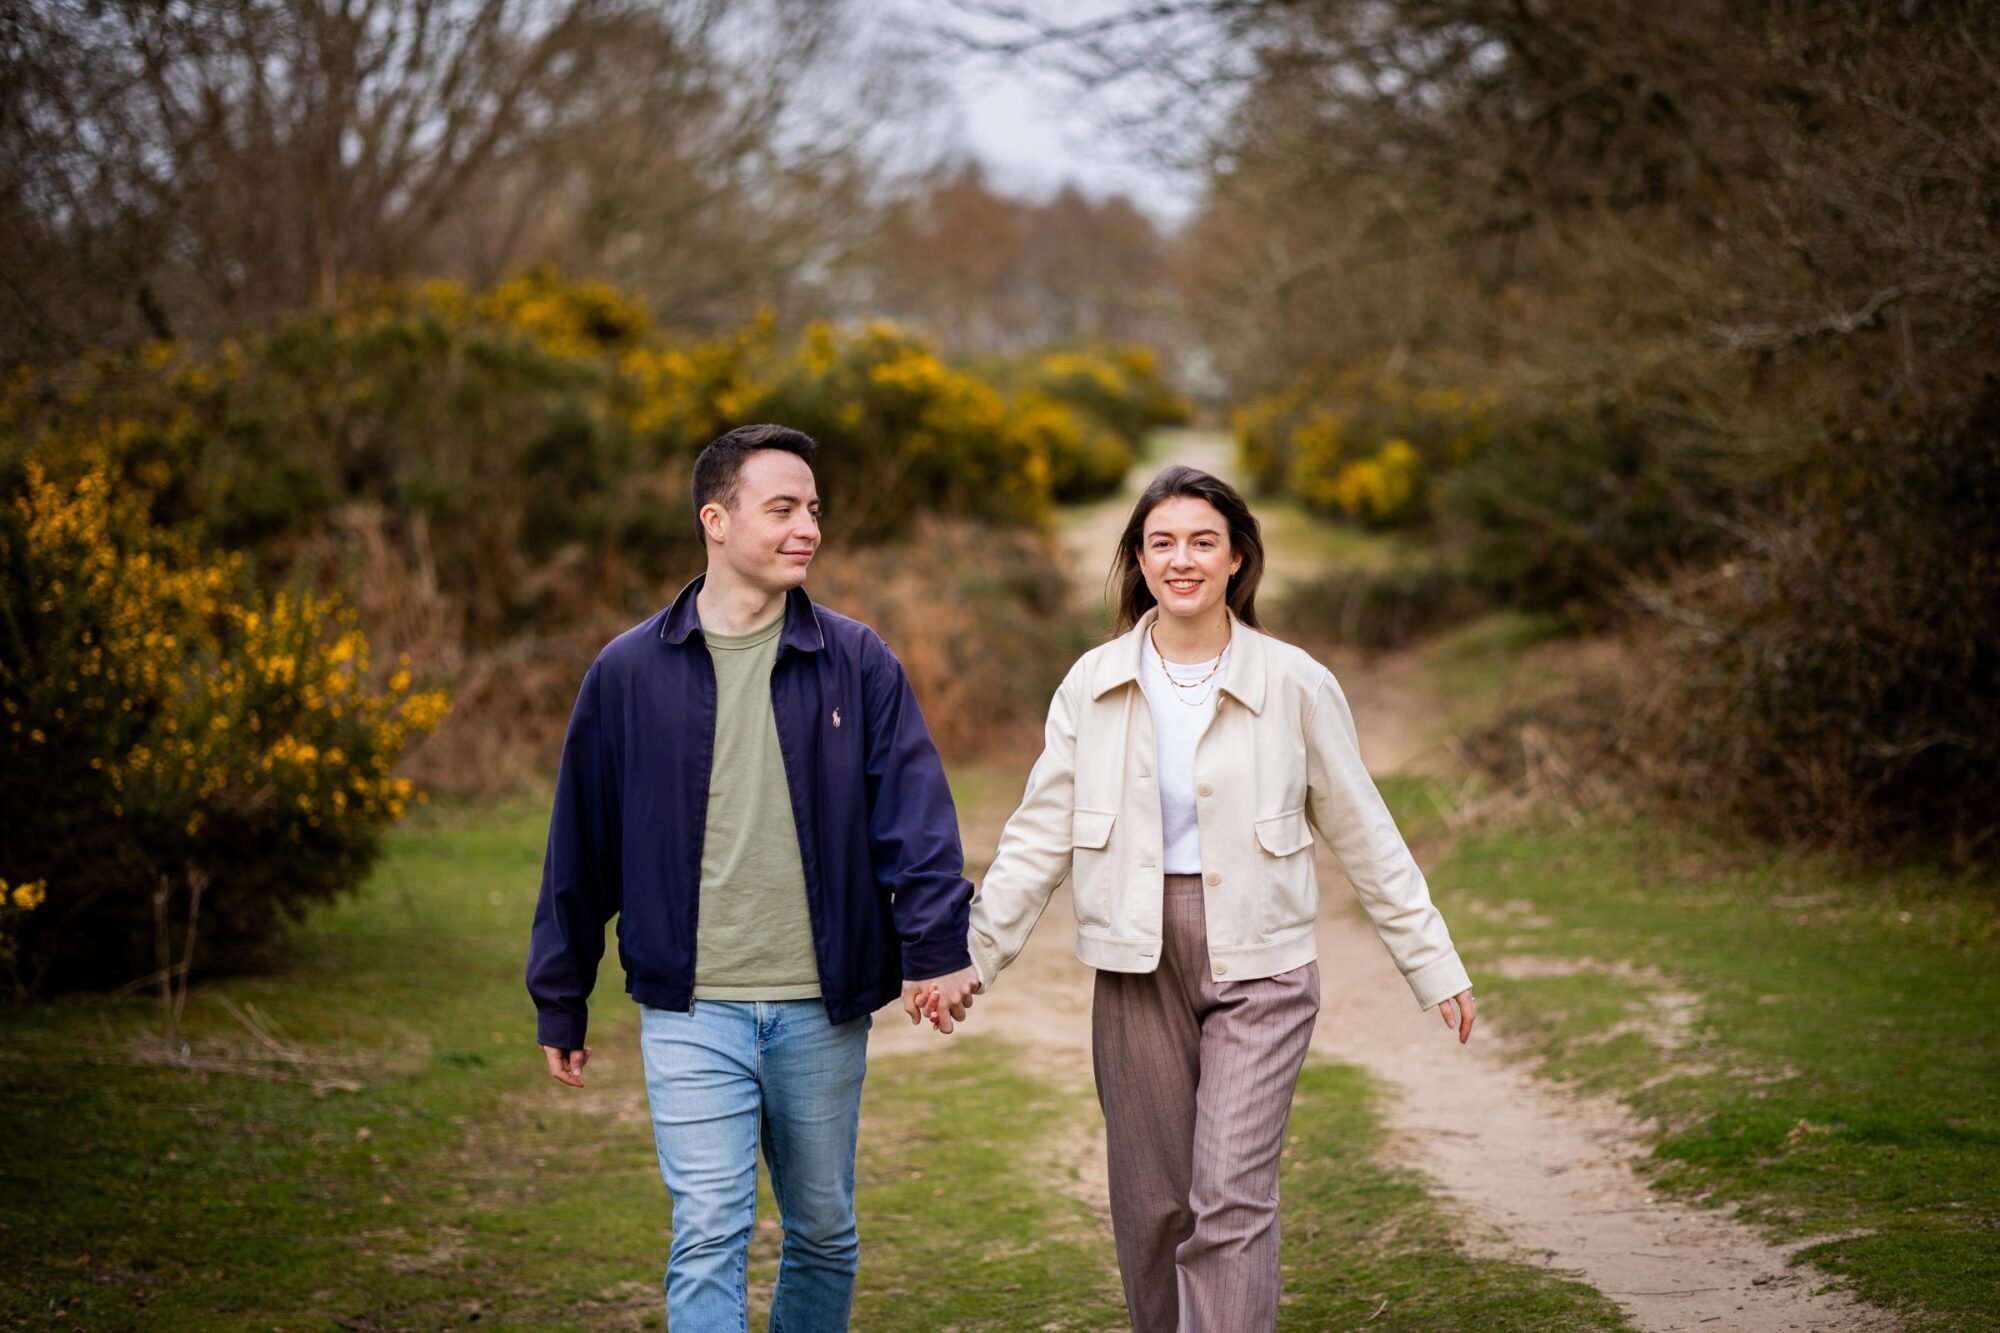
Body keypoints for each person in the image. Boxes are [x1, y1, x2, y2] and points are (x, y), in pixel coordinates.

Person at [933, 465, 1476, 1332]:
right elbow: (1040, 833)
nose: (1181, 560)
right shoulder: (1093, 682)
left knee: (1228, 1196)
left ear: (1236, 560)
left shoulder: (1296, 681)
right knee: (1153, 1207)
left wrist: (1431, 959)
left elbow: (1365, 830)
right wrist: (972, 955)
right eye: (1161, 543)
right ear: (1139, 561)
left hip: (1262, 960)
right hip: (1134, 962)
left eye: (1202, 542)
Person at [525, 423, 980, 1332]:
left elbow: (918, 822)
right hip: (690, 1007)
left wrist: (936, 949)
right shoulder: (626, 672)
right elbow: (582, 843)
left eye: (813, 509)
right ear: (716, 519)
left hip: (822, 1005)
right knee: (706, 1230)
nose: (807, 526)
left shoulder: (859, 660)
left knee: (823, 1231)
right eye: (782, 509)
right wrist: (561, 996)